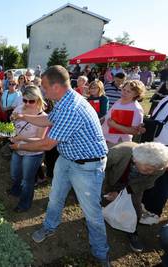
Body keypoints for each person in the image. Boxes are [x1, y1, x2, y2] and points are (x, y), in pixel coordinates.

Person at [10, 65, 110, 266]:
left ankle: (101, 253)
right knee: (55, 198)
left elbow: (47, 144)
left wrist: (20, 145)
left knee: (92, 213)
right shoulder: (63, 102)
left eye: (45, 87)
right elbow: (47, 120)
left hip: (87, 167)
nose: (43, 91)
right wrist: (22, 116)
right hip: (67, 159)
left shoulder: (72, 107)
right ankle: (50, 226)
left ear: (56, 86)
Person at [103, 142, 168, 252]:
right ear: (135, 159)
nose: (151, 172)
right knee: (100, 200)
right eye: (147, 169)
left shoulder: (159, 166)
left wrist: (120, 193)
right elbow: (100, 169)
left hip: (134, 186)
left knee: (135, 208)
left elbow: (146, 183)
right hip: (108, 180)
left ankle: (131, 230)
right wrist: (104, 188)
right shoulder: (119, 152)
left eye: (153, 170)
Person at [7, 86, 47, 212]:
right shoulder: (20, 108)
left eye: (31, 101)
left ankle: (24, 204)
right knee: (14, 174)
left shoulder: (43, 117)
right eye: (25, 100)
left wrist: (21, 138)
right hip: (17, 148)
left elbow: (40, 140)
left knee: (27, 180)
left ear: (38, 100)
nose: (27, 104)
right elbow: (13, 123)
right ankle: (16, 190)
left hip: (33, 152)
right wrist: (12, 119)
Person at [141, 95, 168, 225]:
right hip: (155, 144)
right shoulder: (165, 99)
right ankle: (144, 205)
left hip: (166, 148)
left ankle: (154, 212)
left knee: (163, 181)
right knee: (150, 177)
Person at [102, 80, 145, 148]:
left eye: (128, 91)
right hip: (105, 139)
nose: (124, 93)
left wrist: (114, 125)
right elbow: (108, 116)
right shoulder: (119, 101)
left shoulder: (136, 109)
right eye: (124, 89)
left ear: (136, 94)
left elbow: (135, 131)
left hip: (118, 144)